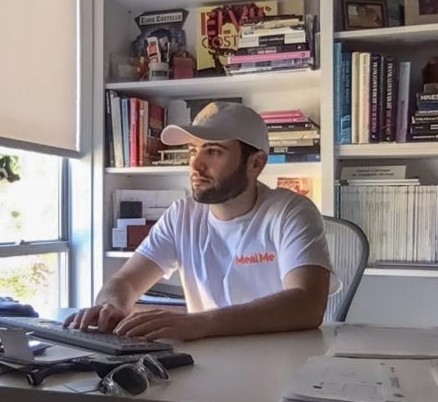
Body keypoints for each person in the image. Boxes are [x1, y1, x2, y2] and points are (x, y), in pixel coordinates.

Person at [65, 102, 338, 341]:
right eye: (193, 151)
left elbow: (307, 304)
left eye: (214, 152)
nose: (195, 165)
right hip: (206, 363)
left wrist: (201, 322)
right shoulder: (181, 215)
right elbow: (125, 281)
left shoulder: (290, 211)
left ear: (255, 164)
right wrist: (112, 306)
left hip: (280, 363)